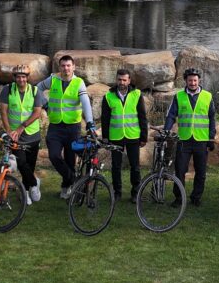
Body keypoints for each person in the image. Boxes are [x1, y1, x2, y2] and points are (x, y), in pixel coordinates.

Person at [38, 54, 95, 196]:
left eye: (68, 65)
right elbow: (37, 89)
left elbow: (86, 103)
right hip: (55, 126)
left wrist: (90, 122)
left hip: (72, 127)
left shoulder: (79, 83)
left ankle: (66, 188)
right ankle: (73, 179)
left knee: (70, 159)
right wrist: (45, 105)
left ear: (73, 67)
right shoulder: (53, 79)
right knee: (54, 155)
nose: (66, 68)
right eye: (63, 65)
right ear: (59, 67)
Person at [162, 67, 214, 207]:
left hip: (201, 140)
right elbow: (171, 115)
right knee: (180, 170)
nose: (192, 83)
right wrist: (166, 131)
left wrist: (211, 138)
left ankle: (196, 197)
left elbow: (211, 118)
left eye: (195, 80)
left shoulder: (208, 96)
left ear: (199, 80)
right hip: (184, 140)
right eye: (190, 80)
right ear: (186, 80)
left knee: (201, 171)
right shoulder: (178, 96)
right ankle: (179, 198)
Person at [0, 66, 44, 204]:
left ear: (27, 78)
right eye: (18, 77)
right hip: (16, 137)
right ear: (14, 78)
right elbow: (4, 112)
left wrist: (23, 126)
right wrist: (9, 130)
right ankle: (35, 183)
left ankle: (26, 191)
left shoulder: (35, 91)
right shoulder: (8, 90)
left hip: (32, 135)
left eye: (23, 77)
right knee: (22, 163)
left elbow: (37, 112)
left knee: (30, 165)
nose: (21, 79)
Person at [101, 69, 147, 200]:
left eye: (124, 80)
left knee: (135, 166)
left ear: (129, 81)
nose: (122, 82)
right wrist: (105, 137)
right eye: (119, 79)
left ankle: (135, 193)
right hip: (116, 136)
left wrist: (144, 136)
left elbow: (142, 116)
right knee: (116, 166)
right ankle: (117, 192)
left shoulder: (137, 94)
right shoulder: (108, 96)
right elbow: (105, 118)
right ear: (116, 80)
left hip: (133, 136)